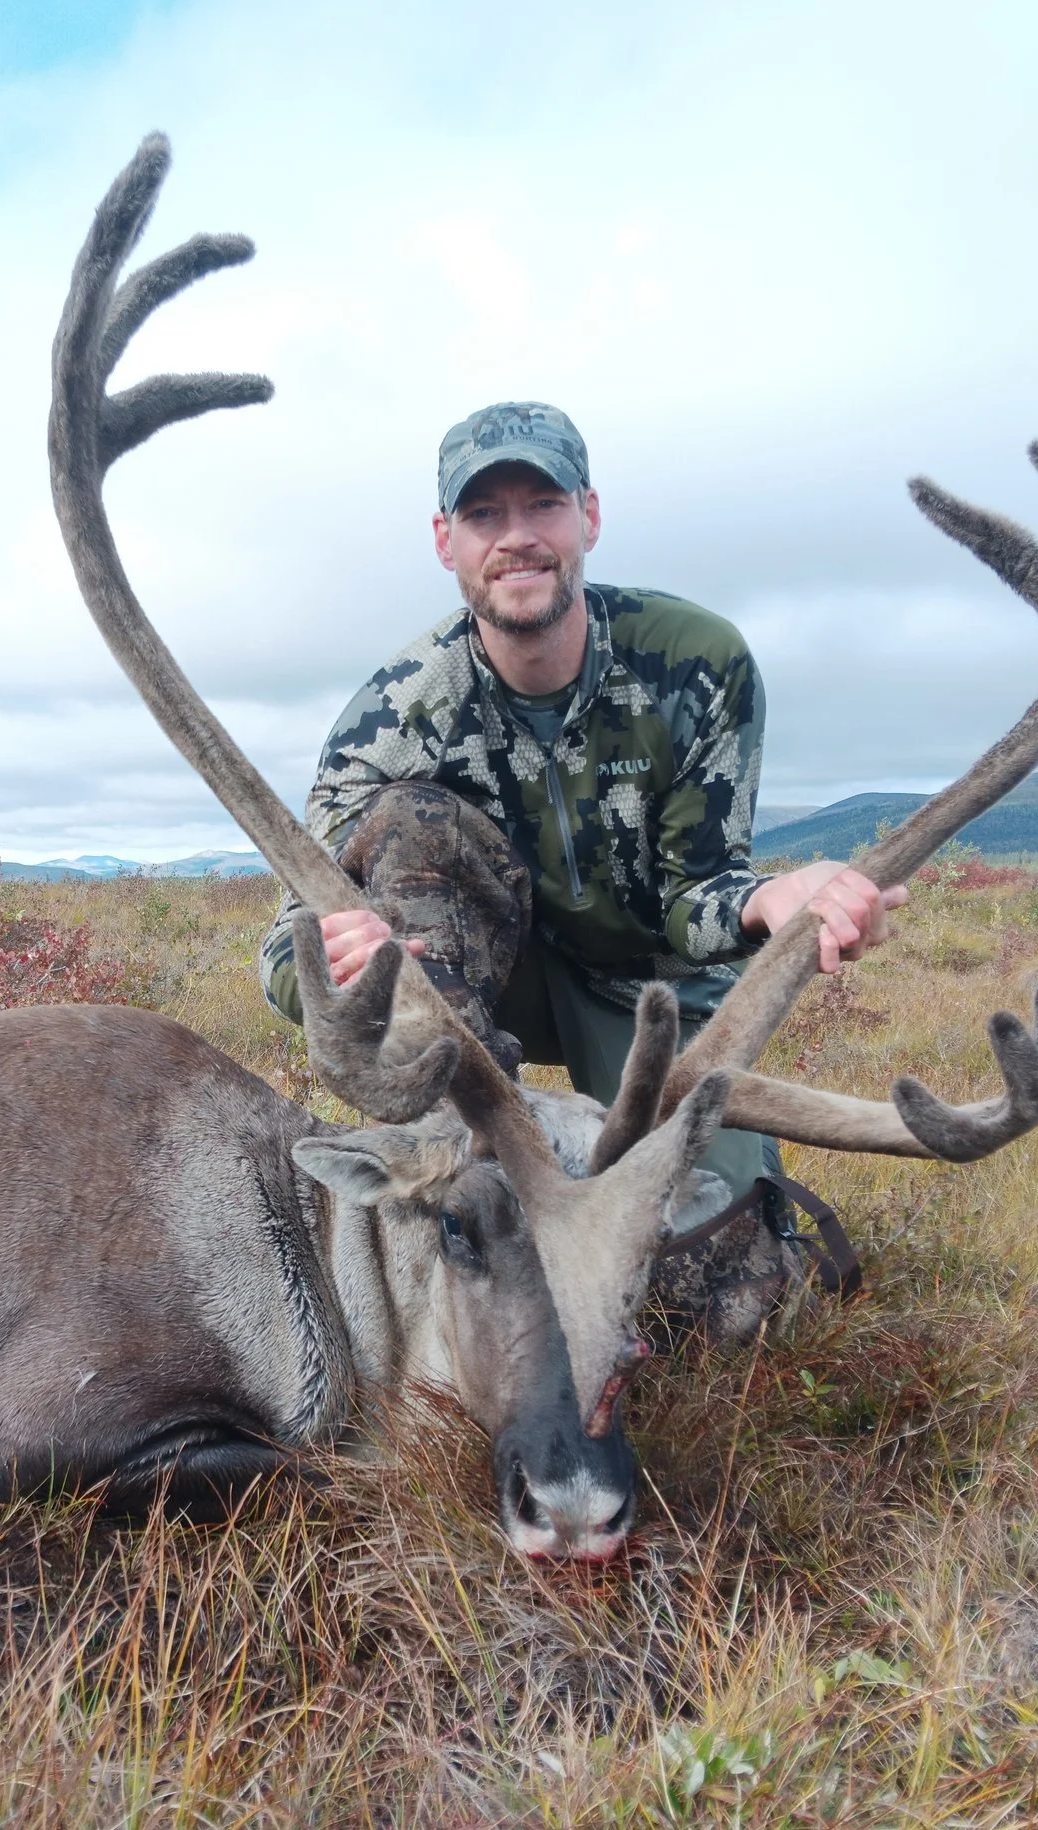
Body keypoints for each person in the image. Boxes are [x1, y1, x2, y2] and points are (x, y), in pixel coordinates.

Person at [259, 400, 905, 1254]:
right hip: (475, 1010)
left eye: (544, 506)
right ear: (445, 540)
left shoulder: (697, 665)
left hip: (646, 994)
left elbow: (694, 896)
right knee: (414, 822)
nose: (515, 537)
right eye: (484, 514)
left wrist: (771, 898)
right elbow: (282, 951)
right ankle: (483, 1160)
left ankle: (716, 1202)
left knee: (720, 1259)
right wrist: (341, 960)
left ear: (589, 517)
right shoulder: (393, 715)